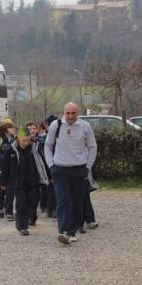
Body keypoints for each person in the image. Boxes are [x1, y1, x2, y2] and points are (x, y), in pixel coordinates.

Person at [45, 102, 97, 245]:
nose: (70, 116)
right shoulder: (56, 125)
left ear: (77, 113)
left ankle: (73, 231)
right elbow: (48, 146)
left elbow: (92, 147)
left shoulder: (85, 126)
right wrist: (51, 165)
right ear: (64, 112)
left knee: (77, 202)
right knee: (63, 200)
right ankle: (63, 231)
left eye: (73, 113)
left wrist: (87, 166)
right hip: (60, 169)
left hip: (79, 169)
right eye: (67, 113)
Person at [1, 128, 46, 236]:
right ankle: (22, 226)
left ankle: (22, 220)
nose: (26, 143)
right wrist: (3, 182)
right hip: (18, 182)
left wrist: (47, 176)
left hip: (32, 181)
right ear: (18, 139)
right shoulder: (10, 150)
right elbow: (5, 167)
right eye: (24, 140)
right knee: (21, 204)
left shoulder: (34, 148)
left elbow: (42, 162)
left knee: (32, 203)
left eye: (28, 140)